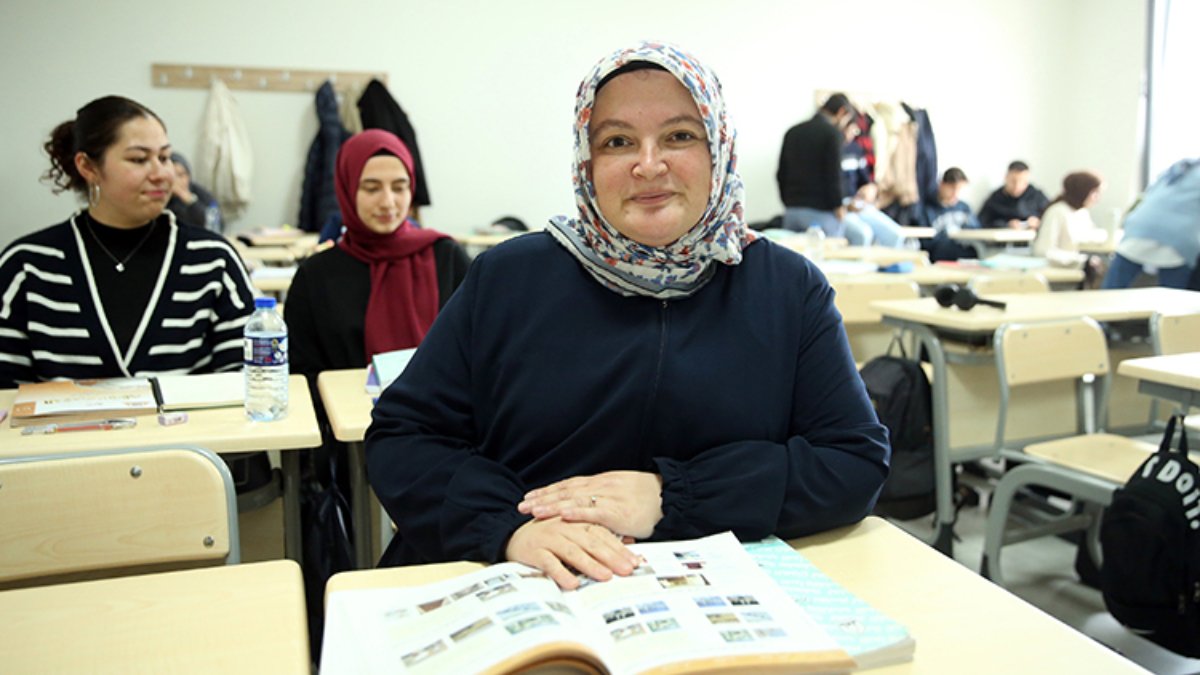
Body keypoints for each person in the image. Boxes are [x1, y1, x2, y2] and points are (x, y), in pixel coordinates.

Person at [365, 43, 890, 589]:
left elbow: (853, 460)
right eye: (617, 142)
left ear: (719, 148)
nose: (649, 165)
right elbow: (404, 437)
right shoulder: (508, 277)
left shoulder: (788, 289)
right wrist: (508, 528)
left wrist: (674, 495)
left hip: (709, 597)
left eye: (679, 136)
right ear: (587, 163)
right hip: (518, 581)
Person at [0, 95, 256, 389]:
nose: (161, 174)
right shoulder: (27, 266)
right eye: (139, 160)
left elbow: (247, 378)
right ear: (88, 167)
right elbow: (5, 394)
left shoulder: (212, 258)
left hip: (189, 422)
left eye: (165, 157)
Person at [285, 128, 470, 382]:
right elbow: (301, 375)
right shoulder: (316, 275)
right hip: (345, 407)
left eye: (399, 187)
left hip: (442, 405)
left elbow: (481, 347)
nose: (388, 202)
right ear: (347, 189)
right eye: (372, 189)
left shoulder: (446, 258)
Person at [1102, 158, 1200, 290]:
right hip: (1179, 237)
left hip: (1139, 227)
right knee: (1174, 296)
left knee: (1112, 289)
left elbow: (1149, 194)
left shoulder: (1182, 167)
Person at [777, 93, 858, 240]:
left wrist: (789, 202)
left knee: (792, 253)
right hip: (822, 214)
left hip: (792, 211)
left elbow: (781, 174)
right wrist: (838, 205)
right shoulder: (833, 135)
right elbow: (833, 175)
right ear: (841, 112)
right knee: (828, 254)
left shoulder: (792, 132)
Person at [1032, 171, 1108, 276]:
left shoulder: (1081, 212)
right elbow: (1044, 252)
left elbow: (1089, 236)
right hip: (1059, 272)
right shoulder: (1057, 212)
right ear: (1082, 191)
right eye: (1095, 193)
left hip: (1075, 267)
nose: (1097, 199)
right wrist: (1081, 260)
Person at [917, 167, 980, 262]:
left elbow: (976, 232)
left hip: (965, 252)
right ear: (942, 184)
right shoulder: (927, 209)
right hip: (938, 255)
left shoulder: (964, 208)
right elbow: (925, 241)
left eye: (959, 189)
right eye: (952, 188)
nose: (955, 193)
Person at [977, 161, 1050, 230]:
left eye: (1022, 181)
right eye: (1013, 181)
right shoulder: (995, 198)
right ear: (1006, 178)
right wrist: (1006, 225)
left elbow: (1050, 217)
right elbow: (982, 222)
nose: (1017, 186)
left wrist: (1039, 222)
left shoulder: (1037, 196)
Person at [165, 151, 223, 232]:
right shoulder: (159, 196)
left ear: (188, 176)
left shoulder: (201, 194)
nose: (177, 181)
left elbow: (214, 224)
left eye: (181, 175)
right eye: (172, 176)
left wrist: (190, 200)